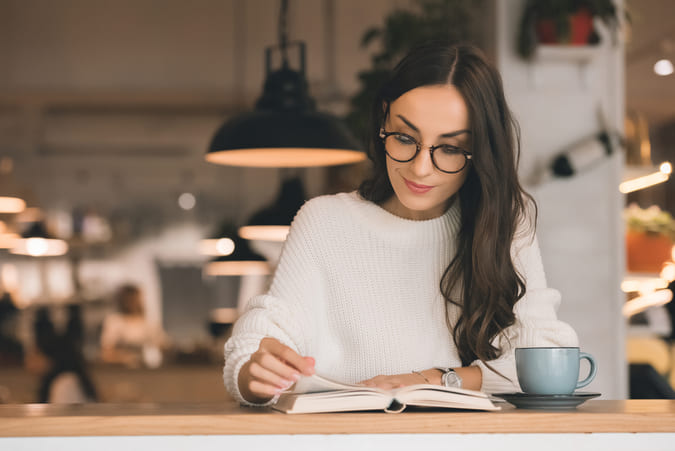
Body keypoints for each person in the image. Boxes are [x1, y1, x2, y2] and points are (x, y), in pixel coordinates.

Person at [224, 42, 579, 406]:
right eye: (405, 138)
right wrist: (254, 373)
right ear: (384, 120)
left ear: (481, 152)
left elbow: (547, 354)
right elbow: (259, 338)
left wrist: (434, 380)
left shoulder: (504, 224)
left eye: (451, 148)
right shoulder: (324, 222)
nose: (420, 168)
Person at [28, 306, 98, 404]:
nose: (29, 360)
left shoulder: (65, 385)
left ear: (50, 358)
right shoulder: (64, 381)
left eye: (36, 354)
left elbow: (59, 419)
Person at [100, 284, 165, 368]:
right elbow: (106, 353)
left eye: (136, 298)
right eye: (130, 299)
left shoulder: (148, 323)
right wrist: (124, 358)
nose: (134, 302)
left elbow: (163, 345)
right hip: (120, 371)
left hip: (146, 370)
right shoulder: (114, 322)